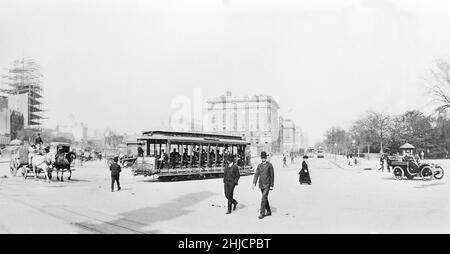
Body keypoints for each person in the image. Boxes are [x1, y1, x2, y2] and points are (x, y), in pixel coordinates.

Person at [252, 151, 274, 219]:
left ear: (266, 158)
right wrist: (254, 183)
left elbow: (272, 176)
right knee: (265, 198)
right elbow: (256, 174)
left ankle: (262, 213)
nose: (263, 159)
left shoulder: (269, 165)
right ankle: (269, 211)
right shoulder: (259, 165)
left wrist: (271, 185)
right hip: (261, 184)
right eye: (262, 158)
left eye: (264, 158)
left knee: (263, 198)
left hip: (267, 184)